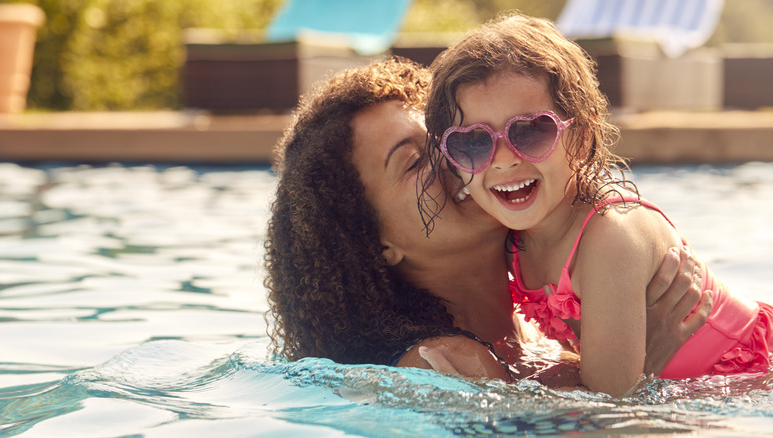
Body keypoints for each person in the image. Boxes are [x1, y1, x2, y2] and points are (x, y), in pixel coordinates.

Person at [265, 57, 711, 388]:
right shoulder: (446, 364)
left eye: (458, 137)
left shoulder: (545, 318)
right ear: (376, 244)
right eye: (415, 161)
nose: (464, 159)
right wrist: (648, 369)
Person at [422, 13, 773, 396]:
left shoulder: (612, 236)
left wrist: (492, 391)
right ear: (451, 157)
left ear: (583, 134)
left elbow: (608, 407)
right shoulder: (513, 238)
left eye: (531, 131)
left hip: (752, 373)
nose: (504, 159)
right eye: (473, 143)